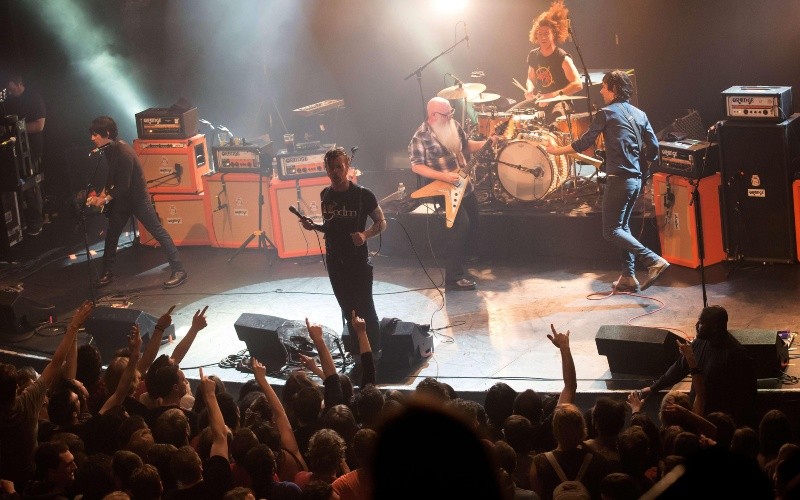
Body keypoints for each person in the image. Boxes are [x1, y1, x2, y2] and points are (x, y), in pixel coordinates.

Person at [546, 70, 669, 292]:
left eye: (603, 86)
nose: (601, 91)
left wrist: (556, 150)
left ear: (613, 89)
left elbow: (585, 142)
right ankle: (628, 277)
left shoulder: (607, 113)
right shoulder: (640, 114)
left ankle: (653, 261)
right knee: (623, 228)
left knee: (611, 230)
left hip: (619, 180)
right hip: (636, 181)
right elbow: (654, 148)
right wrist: (644, 165)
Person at [299, 147, 386, 353]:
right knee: (348, 310)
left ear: (347, 167)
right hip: (334, 262)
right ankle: (357, 354)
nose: (335, 172)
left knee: (366, 310)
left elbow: (381, 222)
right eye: (331, 168)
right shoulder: (326, 195)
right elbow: (332, 227)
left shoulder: (363, 195)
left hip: (357, 261)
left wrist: (365, 235)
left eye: (339, 167)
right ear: (326, 170)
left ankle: (375, 355)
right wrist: (314, 226)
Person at [408, 97, 499, 290]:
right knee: (460, 225)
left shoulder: (454, 125)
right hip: (443, 189)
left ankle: (465, 259)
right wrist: (444, 176)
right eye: (446, 114)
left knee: (473, 221)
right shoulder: (421, 136)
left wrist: (485, 143)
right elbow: (417, 166)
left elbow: (465, 146)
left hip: (464, 185)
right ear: (433, 115)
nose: (450, 116)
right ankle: (453, 277)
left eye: (451, 112)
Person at [85, 116, 187, 289]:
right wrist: (101, 194)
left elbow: (124, 185)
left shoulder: (124, 153)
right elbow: (112, 177)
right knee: (112, 234)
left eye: (95, 134)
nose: (92, 138)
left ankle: (179, 270)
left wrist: (104, 199)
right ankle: (107, 272)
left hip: (138, 199)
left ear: (107, 133)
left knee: (158, 231)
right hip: (123, 199)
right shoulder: (109, 149)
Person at [641, 305, 758, 427]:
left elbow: (746, 398)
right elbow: (679, 368)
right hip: (698, 416)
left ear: (714, 327)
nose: (697, 325)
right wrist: (653, 388)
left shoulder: (736, 355)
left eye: (701, 322)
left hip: (718, 424)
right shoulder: (700, 342)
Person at [517, 1, 583, 123]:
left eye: (546, 34)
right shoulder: (533, 55)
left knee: (554, 119)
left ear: (554, 34)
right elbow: (530, 78)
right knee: (512, 116)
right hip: (540, 99)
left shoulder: (562, 57)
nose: (543, 37)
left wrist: (551, 95)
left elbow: (578, 84)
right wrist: (530, 89)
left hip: (561, 102)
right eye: (540, 34)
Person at [3, 72, 46, 236]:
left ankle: (37, 222)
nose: (10, 92)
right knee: (21, 186)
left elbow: (39, 125)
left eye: (13, 89)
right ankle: (25, 221)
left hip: (31, 150)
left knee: (30, 185)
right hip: (16, 151)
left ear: (19, 84)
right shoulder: (10, 101)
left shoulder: (34, 98)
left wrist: (17, 128)